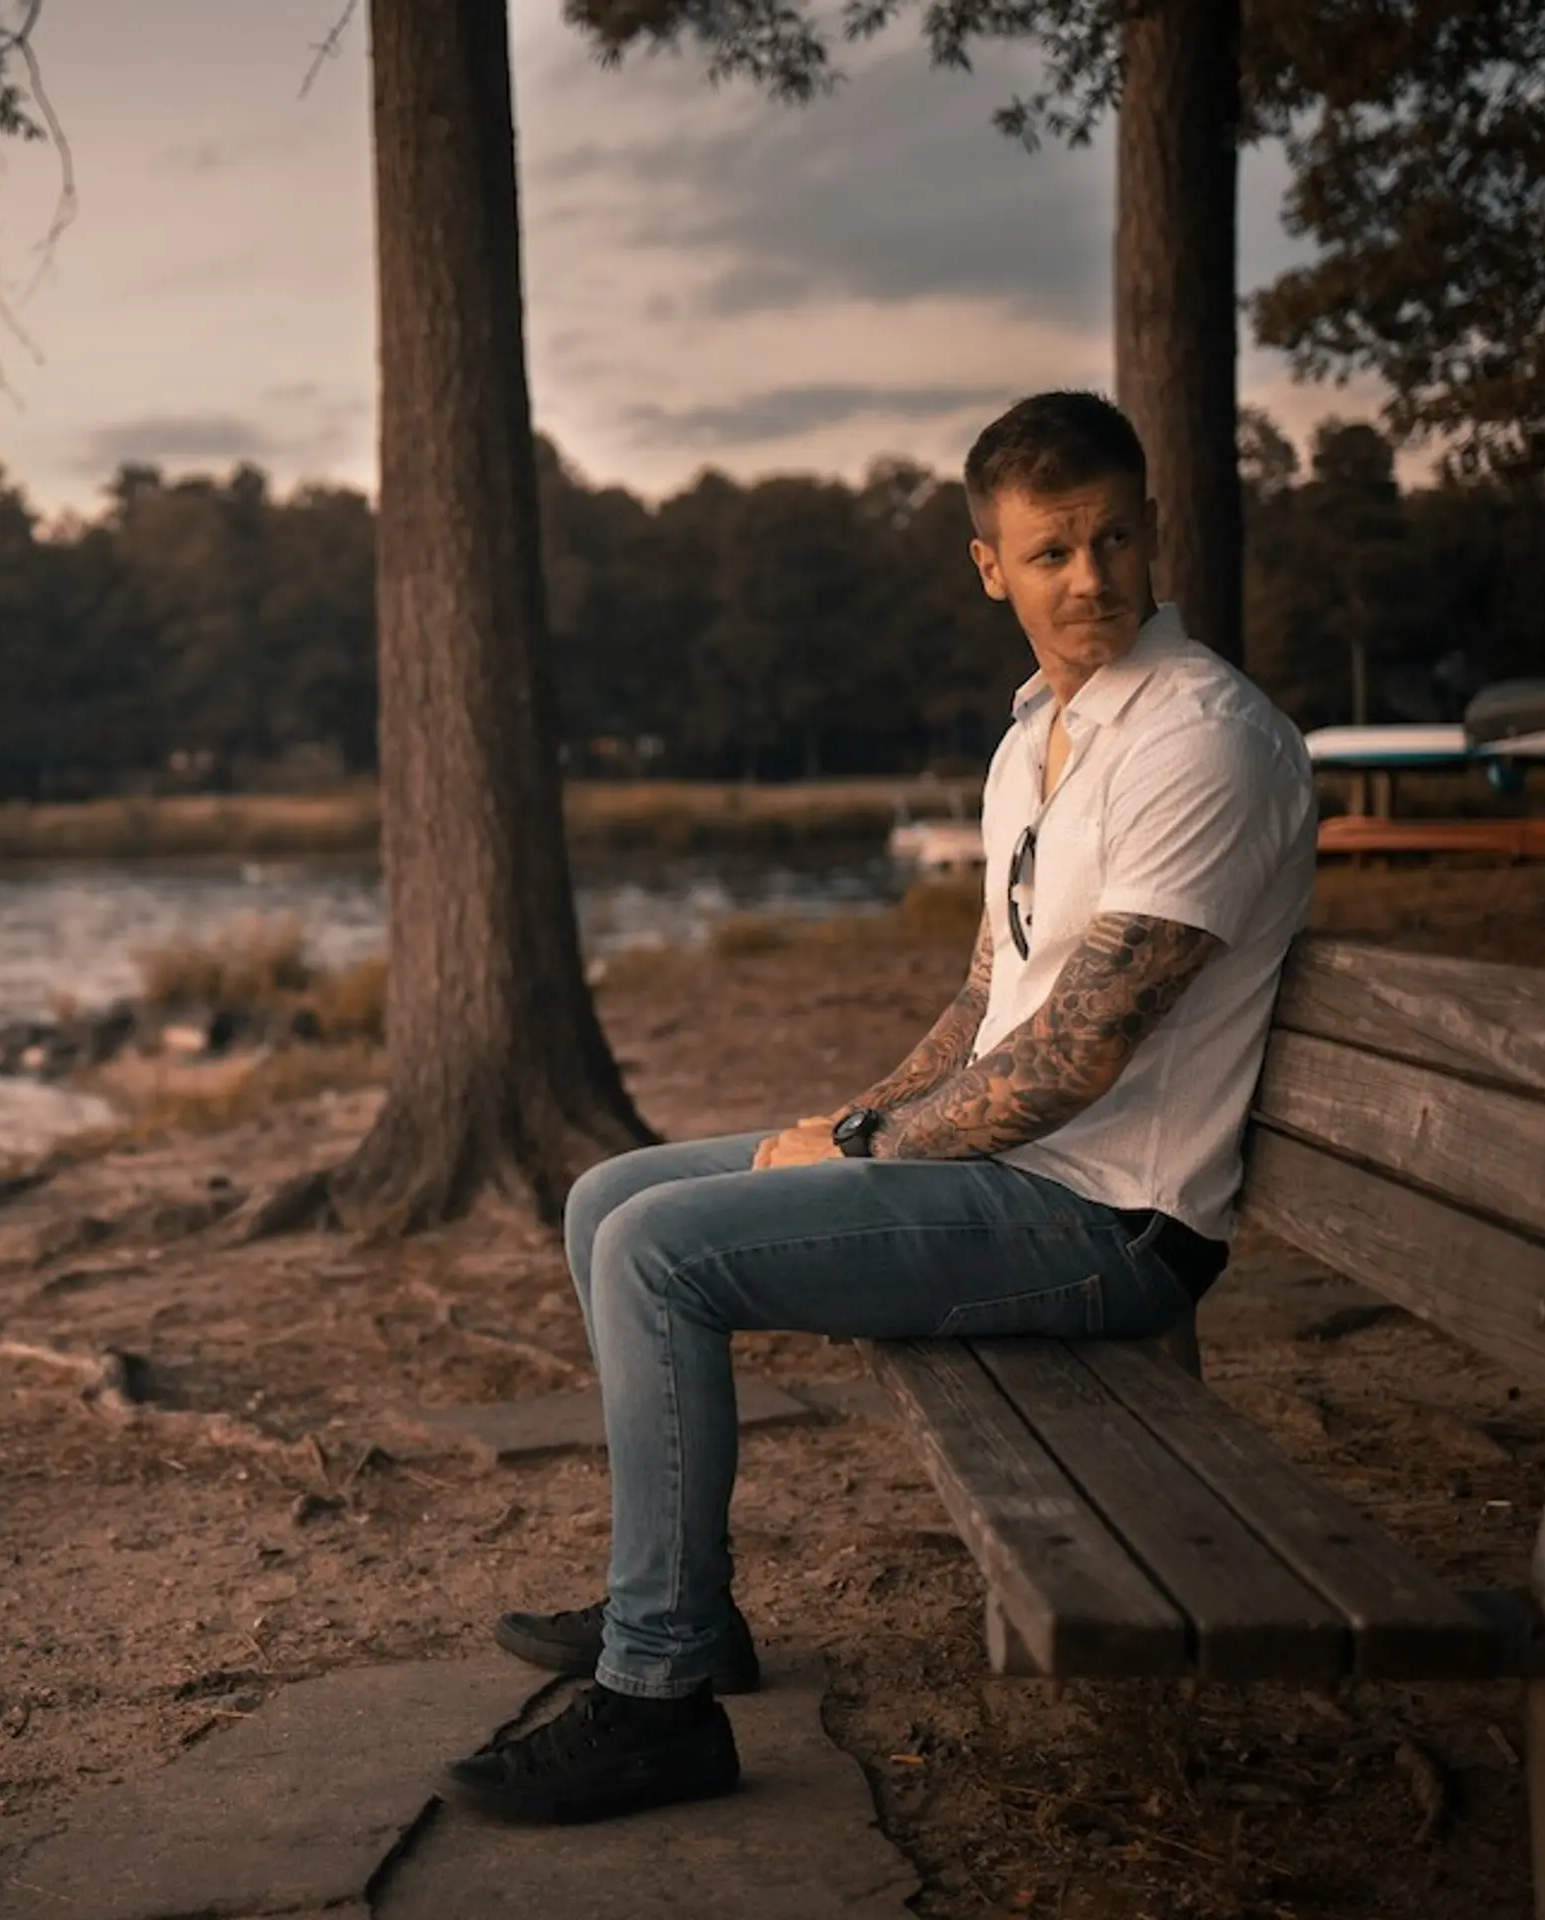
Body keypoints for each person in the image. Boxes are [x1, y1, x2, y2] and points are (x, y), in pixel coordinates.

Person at [441, 390, 1318, 1825]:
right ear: (990, 567)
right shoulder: (1037, 738)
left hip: (1114, 1221)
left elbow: (1078, 1054)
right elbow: (989, 997)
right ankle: (686, 1607)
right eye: (1049, 553)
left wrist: (862, 1152)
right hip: (1020, 1179)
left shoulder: (1200, 741)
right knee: (611, 1198)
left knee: (661, 1253)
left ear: (1151, 532)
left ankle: (657, 1698)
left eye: (1111, 539)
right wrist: (848, 1123)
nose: (1087, 577)